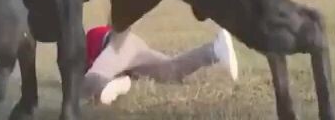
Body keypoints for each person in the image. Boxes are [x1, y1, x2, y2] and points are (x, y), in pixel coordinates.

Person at [82, 25, 239, 105]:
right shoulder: (87, 41)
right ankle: (213, 50)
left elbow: (91, 75)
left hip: (117, 43)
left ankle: (117, 85)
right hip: (133, 46)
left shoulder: (87, 41)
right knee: (171, 70)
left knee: (91, 82)